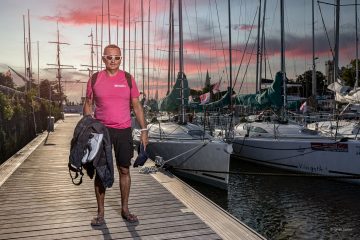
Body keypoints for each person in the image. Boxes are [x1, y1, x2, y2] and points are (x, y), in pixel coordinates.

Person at [83, 44, 148, 226]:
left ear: (121, 59)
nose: (113, 61)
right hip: (100, 131)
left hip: (123, 130)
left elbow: (137, 106)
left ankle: (125, 209)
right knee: (100, 171)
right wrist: (87, 127)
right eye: (109, 57)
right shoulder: (95, 78)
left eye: (117, 57)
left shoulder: (127, 78)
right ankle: (100, 213)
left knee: (124, 169)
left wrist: (144, 130)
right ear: (103, 58)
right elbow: (88, 104)